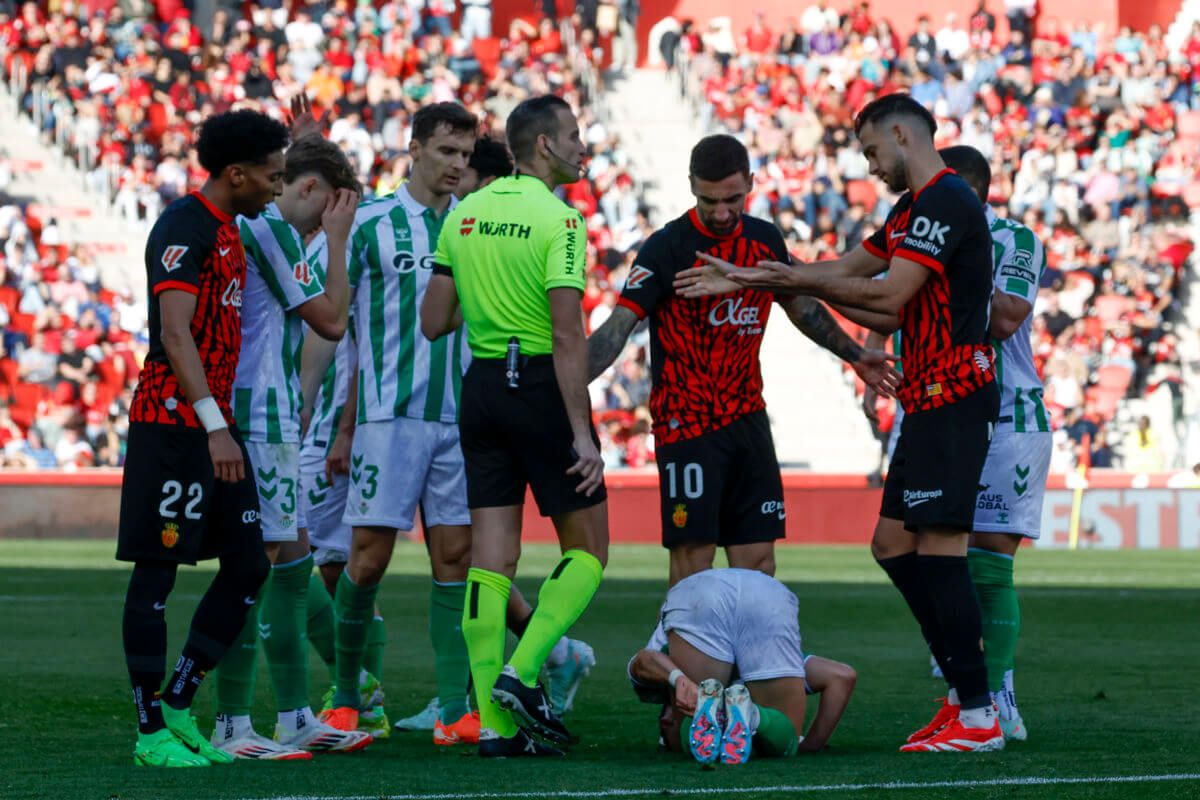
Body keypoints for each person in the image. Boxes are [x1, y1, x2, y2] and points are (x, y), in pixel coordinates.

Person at [677, 94, 1003, 753]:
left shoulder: (944, 200)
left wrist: (783, 280)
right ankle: (960, 693)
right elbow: (856, 280)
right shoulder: (911, 211)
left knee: (940, 548)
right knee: (890, 543)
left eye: (872, 150)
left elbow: (884, 294)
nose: (870, 163)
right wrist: (761, 276)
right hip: (927, 397)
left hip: (957, 394)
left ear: (901, 134)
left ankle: (978, 712)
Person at [587, 134, 900, 587]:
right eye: (708, 200)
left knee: (758, 565)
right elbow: (618, 328)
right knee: (693, 565)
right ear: (691, 185)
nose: (720, 212)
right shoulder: (667, 248)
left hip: (748, 419)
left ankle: (746, 658)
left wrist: (854, 356)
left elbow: (802, 307)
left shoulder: (763, 239)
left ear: (752, 183)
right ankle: (686, 659)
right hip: (687, 424)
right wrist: (569, 384)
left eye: (732, 199)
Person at [391, 132, 599, 735]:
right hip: (537, 382)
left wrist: (484, 293)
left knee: (491, 560)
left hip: (480, 388)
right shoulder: (560, 220)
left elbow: (433, 322)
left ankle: (492, 726)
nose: (581, 149)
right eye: (572, 137)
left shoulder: (466, 215)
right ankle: (523, 669)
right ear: (543, 143)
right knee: (588, 549)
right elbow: (567, 335)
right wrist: (582, 435)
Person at [115, 109, 288, 768]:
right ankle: (149, 732)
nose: (277, 186)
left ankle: (180, 703)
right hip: (174, 426)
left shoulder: (228, 229)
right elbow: (175, 333)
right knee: (156, 575)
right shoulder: (183, 227)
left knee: (248, 565)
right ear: (236, 174)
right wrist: (216, 426)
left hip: (215, 425)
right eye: (270, 175)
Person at [315, 102, 481, 745]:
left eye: (466, 155)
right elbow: (342, 327)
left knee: (456, 558)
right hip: (388, 416)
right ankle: (352, 699)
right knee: (369, 557)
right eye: (446, 151)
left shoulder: (474, 225)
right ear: (414, 149)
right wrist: (344, 424)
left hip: (459, 418)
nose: (457, 165)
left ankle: (451, 709)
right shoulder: (373, 224)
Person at [875, 145, 1051, 744]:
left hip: (1008, 415)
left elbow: (1005, 318)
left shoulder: (1016, 240)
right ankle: (965, 684)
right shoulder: (918, 234)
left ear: (961, 192)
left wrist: (939, 277)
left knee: (987, 563)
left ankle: (993, 694)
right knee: (910, 547)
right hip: (938, 403)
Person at [210, 128, 370, 759]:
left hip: (265, 414)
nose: (337, 220)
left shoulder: (264, 232)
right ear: (312, 192)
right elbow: (331, 316)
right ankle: (232, 722)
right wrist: (336, 241)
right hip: (256, 415)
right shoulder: (273, 231)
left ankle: (295, 715)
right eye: (335, 206)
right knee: (254, 568)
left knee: (293, 561)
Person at [628, 569, 856, 765]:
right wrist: (809, 746)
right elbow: (842, 676)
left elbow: (644, 659)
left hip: (700, 595)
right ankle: (753, 716)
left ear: (664, 718)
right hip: (765, 592)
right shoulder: (670, 659)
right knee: (783, 734)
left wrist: (678, 679)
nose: (667, 722)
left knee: (700, 726)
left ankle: (733, 715)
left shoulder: (669, 662)